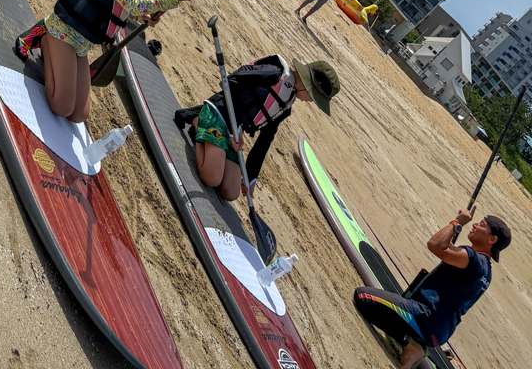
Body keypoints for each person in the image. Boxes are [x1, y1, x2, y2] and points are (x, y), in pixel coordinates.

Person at [14, 0, 197, 123]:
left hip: (83, 42)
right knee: (61, 107)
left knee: (78, 115)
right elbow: (132, 4)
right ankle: (45, 36)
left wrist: (141, 17)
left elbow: (117, 4)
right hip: (65, 31)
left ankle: (53, 51)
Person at [353, 211, 510, 369]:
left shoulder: (472, 259)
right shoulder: (486, 271)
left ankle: (411, 345)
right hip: (439, 331)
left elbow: (435, 245)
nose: (475, 225)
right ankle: (413, 344)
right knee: (392, 308)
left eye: (481, 225)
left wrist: (457, 222)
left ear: (492, 239)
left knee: (363, 297)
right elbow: (445, 248)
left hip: (425, 317)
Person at [175, 55, 340, 200]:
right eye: (313, 97)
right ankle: (197, 122)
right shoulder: (274, 72)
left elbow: (266, 138)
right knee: (212, 178)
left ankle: (215, 148)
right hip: (217, 114)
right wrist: (233, 128)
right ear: (308, 85)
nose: (310, 101)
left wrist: (250, 177)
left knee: (231, 192)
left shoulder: (287, 103)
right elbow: (233, 81)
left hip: (232, 131)